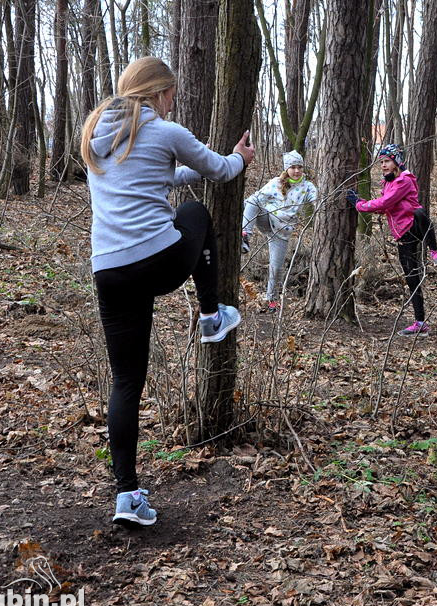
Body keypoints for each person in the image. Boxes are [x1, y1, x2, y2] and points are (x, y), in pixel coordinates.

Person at [82, 56, 255, 527]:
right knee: (196, 213)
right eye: (171, 94)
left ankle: (125, 495)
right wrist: (242, 156)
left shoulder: (98, 136)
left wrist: (186, 172)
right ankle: (211, 316)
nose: (173, 101)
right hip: (157, 262)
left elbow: (150, 178)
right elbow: (220, 170)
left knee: (126, 383)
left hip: (110, 272)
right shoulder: (165, 130)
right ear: (159, 93)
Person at [346, 143, 437, 336]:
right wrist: (365, 203)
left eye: (387, 161)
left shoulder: (404, 181)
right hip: (402, 235)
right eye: (381, 162)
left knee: (420, 212)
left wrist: (360, 205)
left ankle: (435, 251)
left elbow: (386, 202)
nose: (383, 165)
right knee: (412, 277)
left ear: (396, 162)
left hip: (414, 227)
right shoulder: (388, 182)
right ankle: (420, 322)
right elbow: (385, 207)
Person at [242, 150, 319, 310]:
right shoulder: (276, 182)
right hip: (267, 220)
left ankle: (272, 300)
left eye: (299, 167)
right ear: (287, 169)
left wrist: (318, 205)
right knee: (253, 201)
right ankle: (244, 236)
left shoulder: (306, 186)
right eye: (293, 167)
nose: (296, 171)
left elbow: (315, 199)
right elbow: (256, 198)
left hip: (282, 232)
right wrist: (242, 206)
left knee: (276, 268)